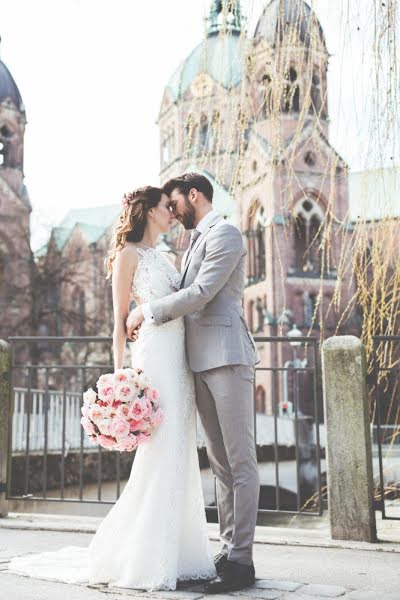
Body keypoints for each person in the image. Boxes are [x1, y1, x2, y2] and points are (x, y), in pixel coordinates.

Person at [7, 185, 216, 592]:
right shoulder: (127, 255)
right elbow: (119, 321)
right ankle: (143, 556)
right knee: (159, 451)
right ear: (148, 212)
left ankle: (181, 552)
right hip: (154, 358)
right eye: (165, 207)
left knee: (178, 451)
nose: (172, 212)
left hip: (180, 360)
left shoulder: (168, 256)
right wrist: (119, 378)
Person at [126, 173, 260, 594]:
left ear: (194, 195)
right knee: (220, 463)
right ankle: (228, 548)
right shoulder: (192, 241)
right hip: (197, 362)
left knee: (241, 462)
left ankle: (243, 560)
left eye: (175, 202)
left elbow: (201, 292)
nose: (173, 210)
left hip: (227, 357)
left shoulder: (226, 233)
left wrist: (146, 313)